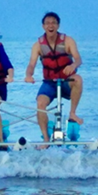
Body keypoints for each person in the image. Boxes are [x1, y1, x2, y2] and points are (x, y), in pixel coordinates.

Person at [25, 12, 84, 146]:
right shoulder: (38, 45)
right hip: (50, 83)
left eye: (53, 23)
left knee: (78, 79)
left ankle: (72, 113)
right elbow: (31, 64)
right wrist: (29, 75)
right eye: (47, 23)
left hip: (66, 81)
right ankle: (46, 139)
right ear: (43, 26)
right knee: (40, 104)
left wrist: (73, 65)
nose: (50, 25)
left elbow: (78, 59)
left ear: (58, 25)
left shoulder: (68, 40)